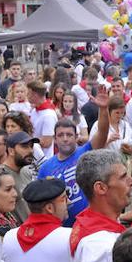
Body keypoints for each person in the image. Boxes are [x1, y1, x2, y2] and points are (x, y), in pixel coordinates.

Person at [37, 95, 110, 227]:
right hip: (63, 230)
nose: (65, 139)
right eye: (60, 135)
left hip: (92, 224)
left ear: (76, 137)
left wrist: (104, 109)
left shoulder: (86, 152)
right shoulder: (45, 168)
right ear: (55, 138)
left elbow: (102, 133)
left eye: (69, 135)